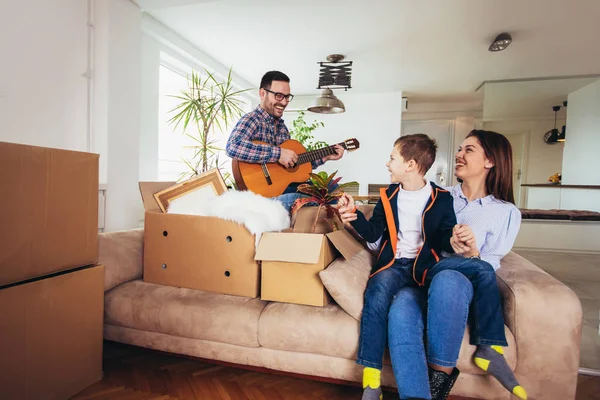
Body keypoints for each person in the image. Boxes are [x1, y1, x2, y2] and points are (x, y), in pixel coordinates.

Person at [383, 130, 525, 400]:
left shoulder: (504, 212)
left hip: (459, 287)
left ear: (490, 161)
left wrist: (472, 252)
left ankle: (438, 384)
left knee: (450, 279)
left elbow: (490, 265)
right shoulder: (434, 194)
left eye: (468, 150)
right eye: (460, 148)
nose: (458, 154)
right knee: (401, 305)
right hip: (421, 276)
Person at [337, 134, 457, 400]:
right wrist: (354, 215)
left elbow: (445, 238)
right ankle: (371, 380)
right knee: (376, 294)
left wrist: (456, 239)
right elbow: (373, 233)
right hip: (394, 264)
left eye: (393, 158)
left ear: (411, 165)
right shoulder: (388, 195)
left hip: (425, 268)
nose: (388, 163)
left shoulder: (442, 199)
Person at [225, 70, 344, 210]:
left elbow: (291, 167)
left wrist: (326, 156)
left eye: (287, 97)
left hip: (282, 189)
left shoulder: (282, 128)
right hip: (261, 196)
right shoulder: (253, 120)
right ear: (262, 93)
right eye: (279, 96)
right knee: (300, 200)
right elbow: (233, 146)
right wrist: (278, 153)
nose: (284, 102)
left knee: (331, 188)